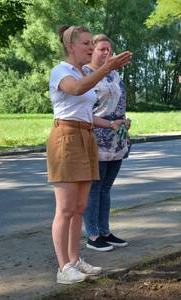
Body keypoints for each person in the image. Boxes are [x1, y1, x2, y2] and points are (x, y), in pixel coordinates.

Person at [47, 25, 131, 284]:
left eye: (91, 44)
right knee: (65, 208)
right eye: (86, 44)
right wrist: (106, 67)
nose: (91, 49)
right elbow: (76, 90)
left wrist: (111, 123)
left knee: (81, 207)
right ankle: (63, 268)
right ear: (71, 46)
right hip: (66, 137)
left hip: (86, 135)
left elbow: (86, 112)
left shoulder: (83, 72)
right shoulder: (61, 71)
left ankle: (74, 260)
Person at [82, 34, 130, 252]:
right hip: (96, 137)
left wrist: (123, 122)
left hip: (115, 139)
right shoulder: (85, 73)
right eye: (101, 49)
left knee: (106, 189)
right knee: (94, 188)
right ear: (92, 50)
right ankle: (92, 234)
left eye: (109, 50)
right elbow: (83, 111)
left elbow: (119, 103)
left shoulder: (115, 75)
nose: (106, 53)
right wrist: (109, 123)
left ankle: (105, 231)